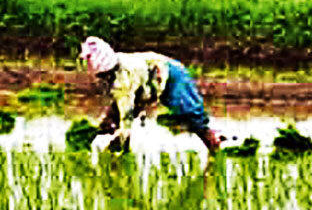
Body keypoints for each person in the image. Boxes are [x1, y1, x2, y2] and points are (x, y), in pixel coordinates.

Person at [79, 36, 221, 154]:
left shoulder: (122, 80)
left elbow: (127, 113)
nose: (101, 80)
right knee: (111, 119)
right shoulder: (117, 68)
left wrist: (121, 138)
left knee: (189, 114)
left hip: (171, 75)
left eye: (103, 76)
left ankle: (214, 144)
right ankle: (120, 151)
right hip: (148, 82)